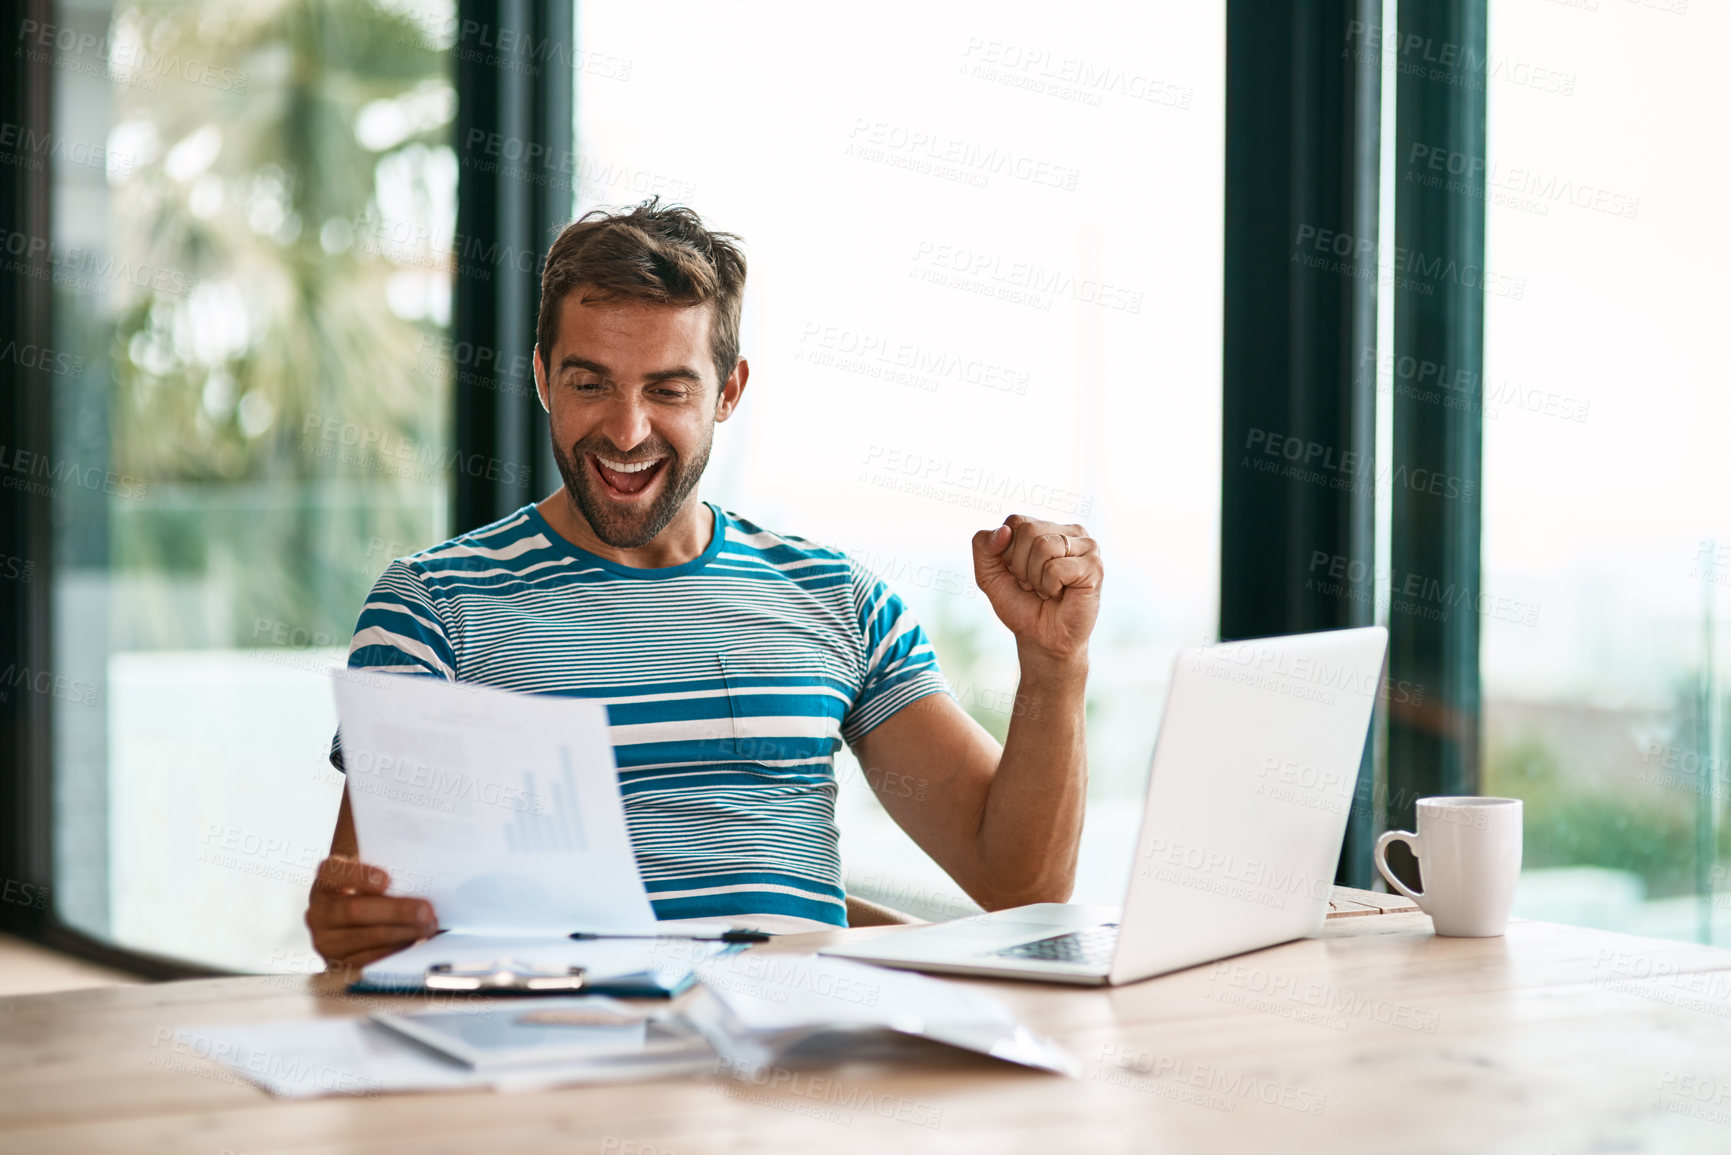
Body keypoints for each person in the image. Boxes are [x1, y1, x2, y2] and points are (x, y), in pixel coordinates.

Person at [306, 199, 1104, 969]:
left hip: (800, 1072)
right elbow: (370, 931)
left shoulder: (836, 599)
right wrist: (351, 922)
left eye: (668, 389)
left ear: (728, 391)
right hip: (561, 1073)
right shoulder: (432, 607)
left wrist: (1053, 663)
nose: (626, 431)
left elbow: (1020, 886)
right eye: (590, 384)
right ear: (544, 377)